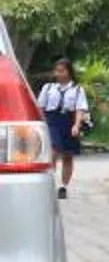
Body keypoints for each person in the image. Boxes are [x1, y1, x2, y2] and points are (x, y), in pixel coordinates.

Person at [35, 60, 86, 200]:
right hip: (52, 121)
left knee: (67, 155)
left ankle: (64, 186)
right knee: (53, 150)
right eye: (57, 70)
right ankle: (49, 182)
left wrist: (76, 125)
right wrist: (42, 122)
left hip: (68, 120)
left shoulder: (77, 89)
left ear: (69, 72)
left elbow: (79, 108)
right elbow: (41, 107)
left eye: (62, 70)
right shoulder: (49, 87)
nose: (59, 74)